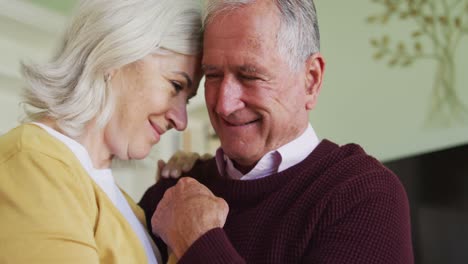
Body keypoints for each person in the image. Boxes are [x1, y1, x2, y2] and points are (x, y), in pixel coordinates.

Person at [139, 0, 414, 263]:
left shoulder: (363, 195)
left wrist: (198, 241)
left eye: (250, 76)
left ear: (311, 80)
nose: (224, 104)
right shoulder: (172, 194)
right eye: (213, 75)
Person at [0, 0, 203, 263]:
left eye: (187, 100)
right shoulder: (32, 162)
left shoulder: (126, 205)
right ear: (115, 54)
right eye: (175, 86)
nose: (181, 121)